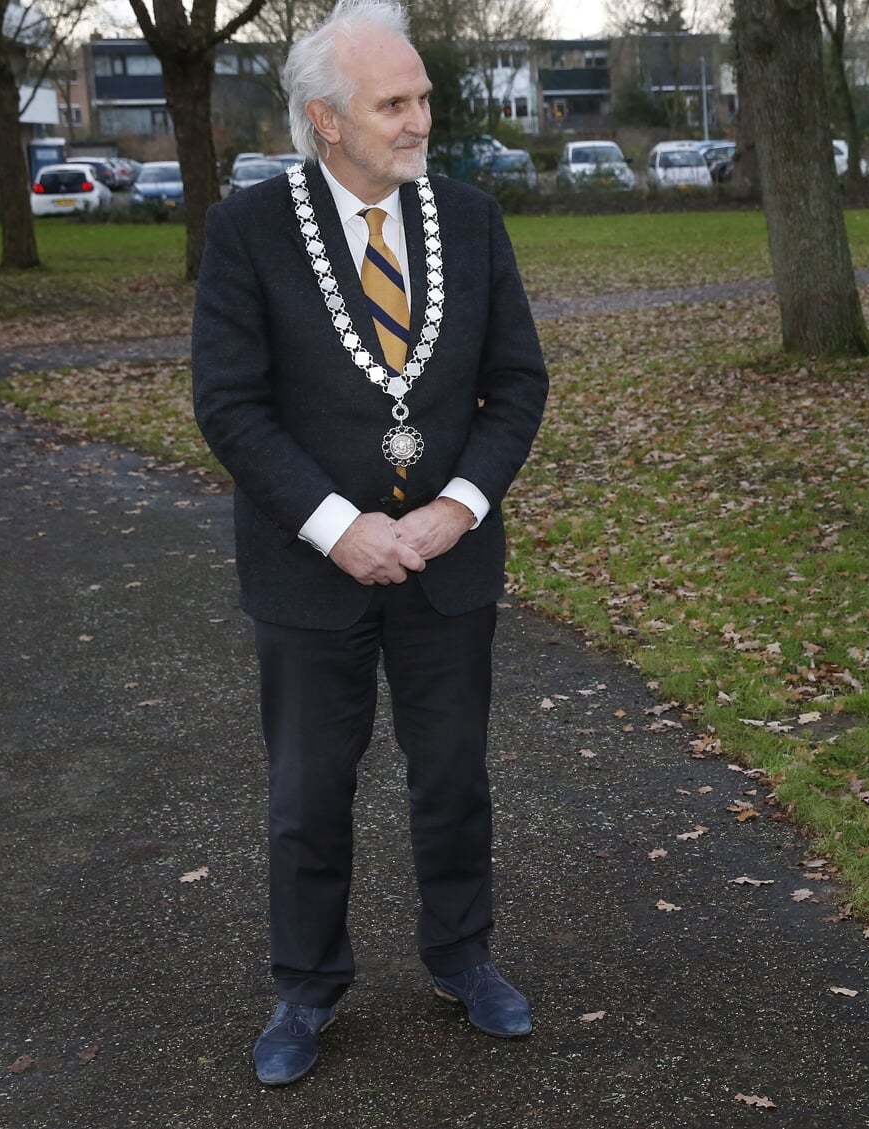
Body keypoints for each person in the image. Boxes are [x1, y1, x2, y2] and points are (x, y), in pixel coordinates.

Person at [191, 0, 549, 1086]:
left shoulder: (471, 220)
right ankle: (305, 985)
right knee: (308, 787)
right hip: (310, 569)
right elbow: (231, 403)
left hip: (449, 566)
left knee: (452, 776)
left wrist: (456, 508)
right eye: (394, 103)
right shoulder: (249, 229)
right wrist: (340, 529)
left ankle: (463, 957)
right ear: (326, 120)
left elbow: (518, 384)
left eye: (424, 97)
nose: (418, 120)